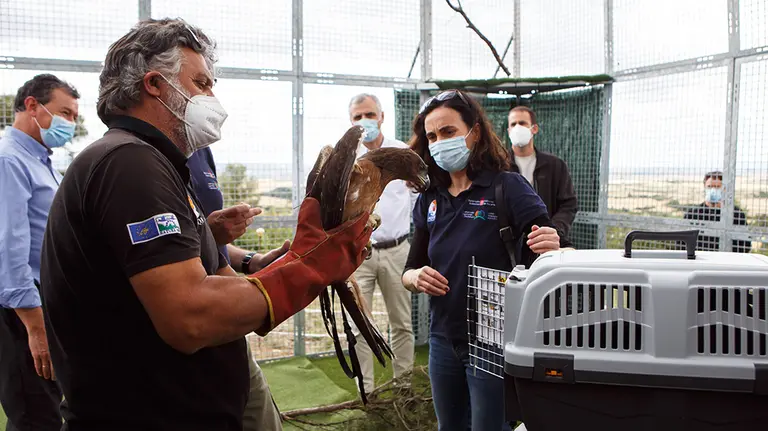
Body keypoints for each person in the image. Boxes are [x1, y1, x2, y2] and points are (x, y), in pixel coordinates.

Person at [39, 18, 371, 431]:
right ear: (156, 85)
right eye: (202, 83)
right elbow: (190, 316)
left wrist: (286, 265)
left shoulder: (158, 164)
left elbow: (220, 280)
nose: (213, 98)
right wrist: (312, 267)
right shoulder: (129, 164)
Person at [402, 89, 565, 430]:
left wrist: (551, 242)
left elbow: (549, 244)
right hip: (442, 337)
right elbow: (410, 267)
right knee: (450, 426)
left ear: (474, 133)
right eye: (432, 136)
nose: (439, 142)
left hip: (493, 336)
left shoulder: (506, 187)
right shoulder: (429, 198)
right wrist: (415, 277)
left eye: (448, 132)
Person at [187, 146, 288, 431]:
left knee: (257, 409)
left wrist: (250, 261)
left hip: (224, 325)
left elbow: (209, 243)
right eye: (204, 95)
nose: (212, 101)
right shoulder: (142, 161)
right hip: (192, 318)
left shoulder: (200, 152)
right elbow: (175, 244)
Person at [0, 74, 80, 431]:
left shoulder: (40, 160)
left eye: (74, 117)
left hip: (44, 305)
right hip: (21, 314)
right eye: (64, 113)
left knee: (49, 408)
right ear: (32, 105)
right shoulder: (9, 161)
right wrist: (34, 326)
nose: (70, 124)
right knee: (36, 418)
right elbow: (9, 246)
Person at [346, 93, 416, 393]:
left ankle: (404, 390)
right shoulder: (348, 158)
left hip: (397, 250)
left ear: (382, 116)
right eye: (358, 117)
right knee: (360, 325)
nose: (365, 122)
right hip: (359, 254)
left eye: (369, 115)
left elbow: (417, 196)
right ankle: (367, 393)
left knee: (401, 323)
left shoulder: (402, 153)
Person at [507, 105, 578, 246]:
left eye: (522, 123)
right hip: (510, 245)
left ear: (534, 128)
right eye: (513, 124)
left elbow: (568, 204)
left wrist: (554, 230)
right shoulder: (500, 166)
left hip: (546, 243)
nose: (517, 128)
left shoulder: (555, 165)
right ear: (508, 131)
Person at [684, 170, 751, 253]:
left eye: (717, 187)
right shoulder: (692, 214)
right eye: (709, 186)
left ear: (725, 189)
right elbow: (682, 244)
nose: (713, 190)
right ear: (704, 187)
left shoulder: (736, 214)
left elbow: (745, 245)